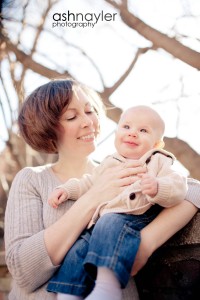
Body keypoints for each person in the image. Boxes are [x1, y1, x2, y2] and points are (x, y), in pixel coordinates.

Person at [4, 78, 199, 300]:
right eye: (72, 116)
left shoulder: (127, 167)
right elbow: (23, 271)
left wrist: (144, 244)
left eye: (90, 111)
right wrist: (94, 197)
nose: (88, 121)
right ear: (47, 129)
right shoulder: (32, 179)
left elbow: (193, 190)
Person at [46, 106, 187, 300]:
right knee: (78, 247)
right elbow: (88, 183)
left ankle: (107, 287)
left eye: (143, 130)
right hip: (100, 223)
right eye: (126, 126)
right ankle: (67, 292)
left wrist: (157, 187)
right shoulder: (109, 162)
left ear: (156, 144)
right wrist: (67, 190)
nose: (132, 133)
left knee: (110, 222)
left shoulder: (158, 161)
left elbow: (179, 186)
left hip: (135, 216)